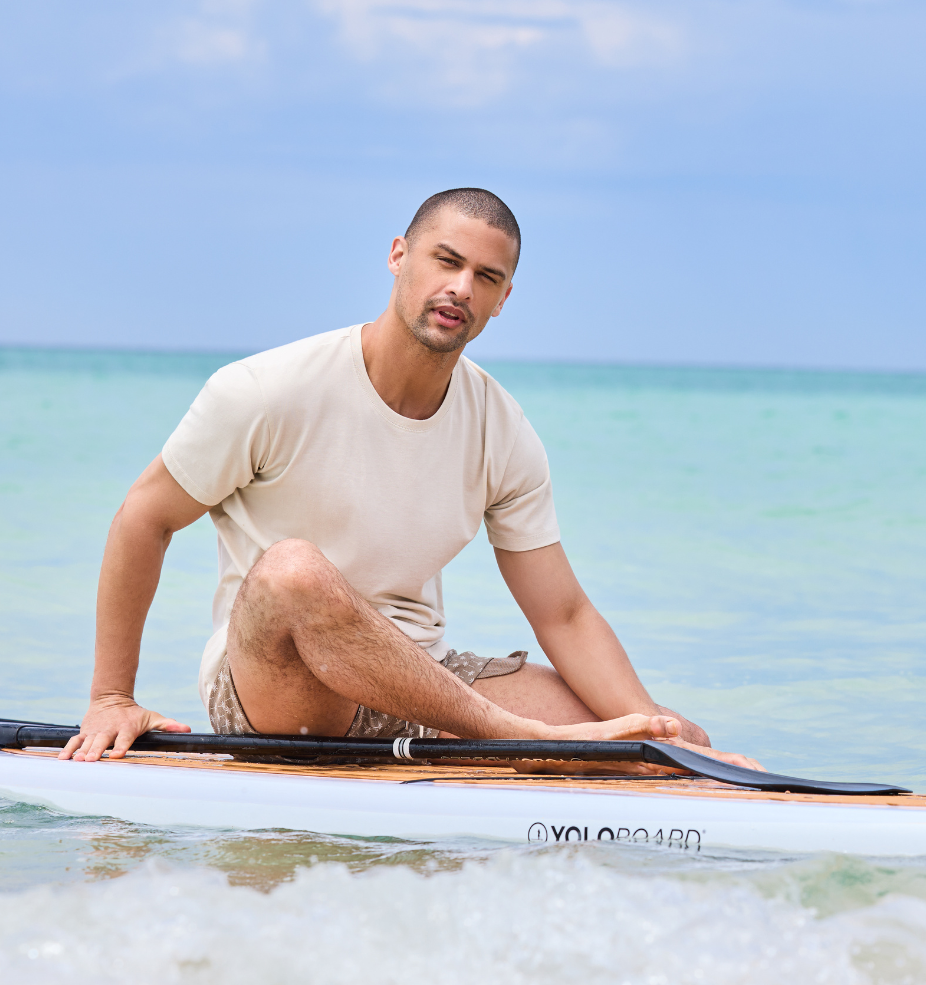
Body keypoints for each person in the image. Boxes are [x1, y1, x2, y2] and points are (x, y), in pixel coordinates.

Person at [60, 188, 760, 774]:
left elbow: (564, 613)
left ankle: (621, 755)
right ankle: (509, 740)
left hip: (423, 682)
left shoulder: (502, 429)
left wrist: (657, 732)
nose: (461, 287)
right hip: (281, 686)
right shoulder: (266, 391)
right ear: (400, 256)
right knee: (291, 571)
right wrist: (112, 696)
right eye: (446, 261)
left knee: (628, 743)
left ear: (503, 299)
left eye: (486, 278)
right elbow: (142, 517)